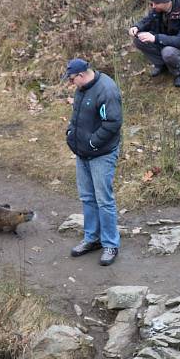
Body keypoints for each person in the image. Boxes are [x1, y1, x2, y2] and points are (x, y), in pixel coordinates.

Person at [64, 58, 123, 266]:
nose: (71, 84)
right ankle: (92, 238)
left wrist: (92, 143)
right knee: (87, 197)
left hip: (101, 154)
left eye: (72, 79)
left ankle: (110, 244)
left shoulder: (106, 90)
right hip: (83, 153)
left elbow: (113, 123)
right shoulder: (81, 89)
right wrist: (71, 134)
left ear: (81, 75)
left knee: (103, 199)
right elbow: (77, 116)